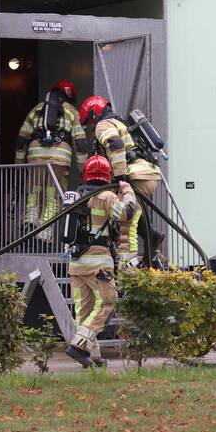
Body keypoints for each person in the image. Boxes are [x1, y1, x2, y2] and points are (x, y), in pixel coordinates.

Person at [64, 155, 138, 368]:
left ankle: (93, 356)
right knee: (107, 301)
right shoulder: (106, 196)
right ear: (107, 176)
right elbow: (127, 214)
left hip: (76, 264)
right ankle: (79, 346)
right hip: (98, 263)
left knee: (84, 310)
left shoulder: (75, 195)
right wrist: (128, 191)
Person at [15, 80, 88, 235]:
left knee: (34, 191)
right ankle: (45, 231)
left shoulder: (37, 109)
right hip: (58, 159)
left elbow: (21, 139)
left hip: (35, 158)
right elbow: (80, 143)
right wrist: (83, 170)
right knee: (53, 194)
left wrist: (19, 163)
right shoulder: (72, 111)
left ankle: (30, 220)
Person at [78, 95, 162, 200]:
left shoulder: (102, 125)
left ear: (94, 114)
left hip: (134, 176)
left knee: (121, 212)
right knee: (133, 213)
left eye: (89, 122)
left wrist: (120, 178)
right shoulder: (120, 123)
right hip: (147, 173)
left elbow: (115, 144)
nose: (90, 126)